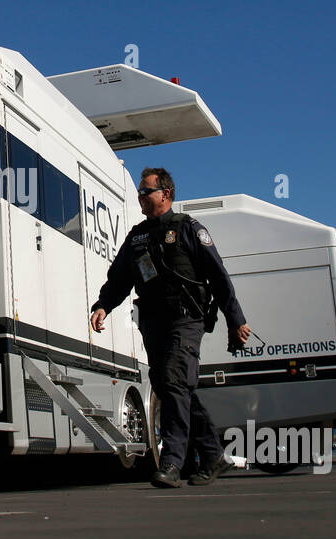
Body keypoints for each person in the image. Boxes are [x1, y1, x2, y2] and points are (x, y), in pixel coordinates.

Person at [91, 168, 251, 488]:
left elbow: (219, 277)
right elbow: (120, 278)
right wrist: (103, 305)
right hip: (153, 322)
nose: (140, 196)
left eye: (146, 191)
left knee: (174, 379)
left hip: (186, 319)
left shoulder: (189, 229)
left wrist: (236, 320)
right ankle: (212, 453)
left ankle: (172, 463)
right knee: (169, 388)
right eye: (139, 191)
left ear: (165, 194)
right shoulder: (136, 237)